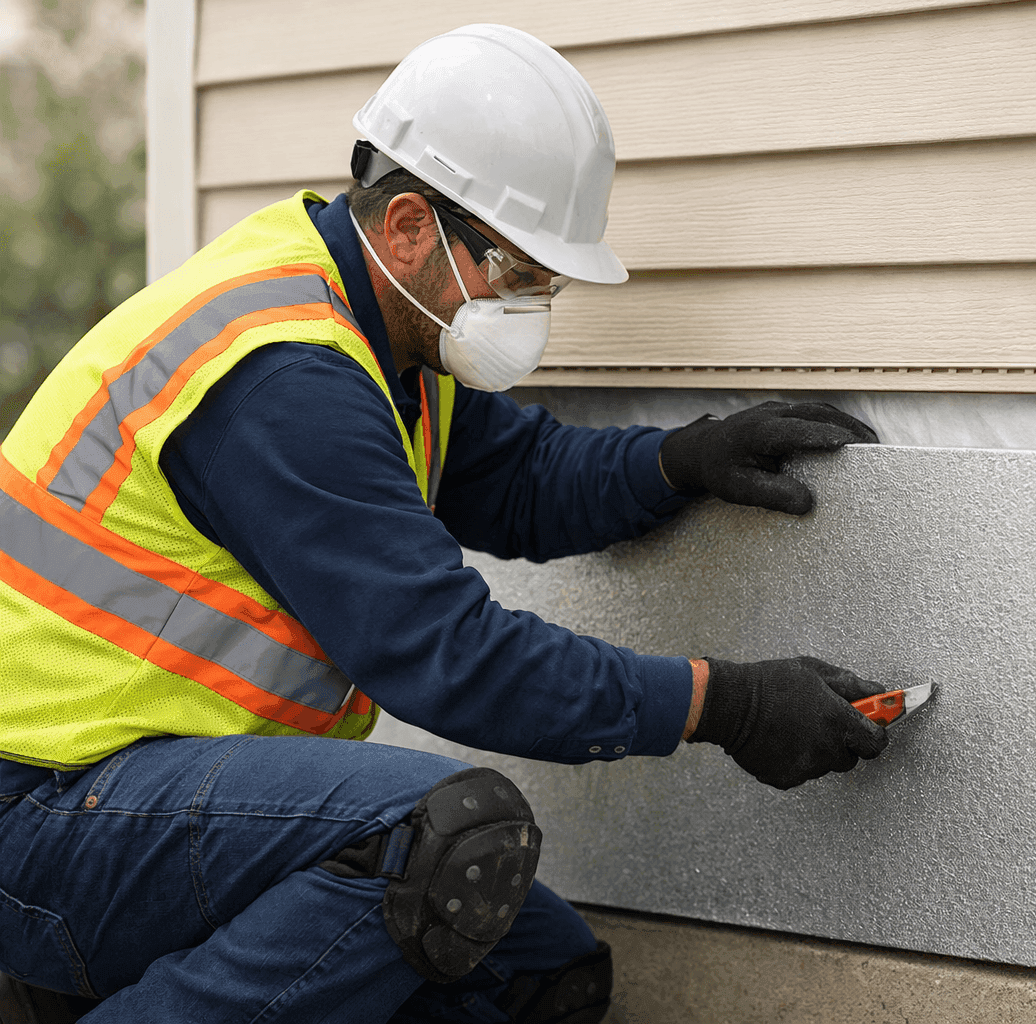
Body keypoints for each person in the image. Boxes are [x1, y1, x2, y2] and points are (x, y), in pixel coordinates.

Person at [0, 24, 888, 1024]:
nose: (535, 304)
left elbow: (520, 479)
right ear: (413, 227)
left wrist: (683, 458)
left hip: (155, 796)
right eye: (518, 271)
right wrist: (722, 705)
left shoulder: (383, 329)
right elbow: (452, 656)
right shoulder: (285, 377)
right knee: (449, 841)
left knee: (539, 971)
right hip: (42, 818)